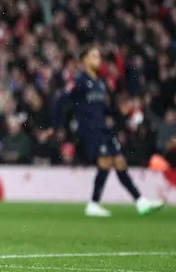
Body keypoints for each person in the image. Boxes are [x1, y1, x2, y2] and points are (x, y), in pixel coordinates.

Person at [53, 45, 164, 217]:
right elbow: (60, 100)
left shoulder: (99, 83)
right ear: (84, 60)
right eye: (94, 56)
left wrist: (121, 111)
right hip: (90, 130)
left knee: (119, 162)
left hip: (103, 128)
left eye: (99, 56)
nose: (98, 60)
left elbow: (103, 109)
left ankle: (140, 202)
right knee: (106, 161)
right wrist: (57, 125)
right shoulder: (79, 80)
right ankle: (96, 204)